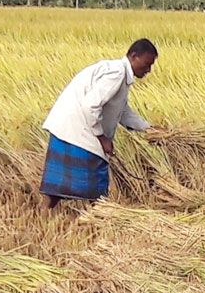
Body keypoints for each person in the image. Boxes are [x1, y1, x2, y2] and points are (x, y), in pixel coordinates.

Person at [40, 39, 158, 209]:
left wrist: (149, 129)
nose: (148, 70)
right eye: (147, 64)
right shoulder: (116, 73)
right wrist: (102, 138)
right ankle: (97, 217)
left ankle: (49, 213)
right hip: (78, 129)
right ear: (134, 56)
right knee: (96, 182)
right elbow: (90, 105)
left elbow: (123, 112)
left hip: (68, 128)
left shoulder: (119, 73)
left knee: (58, 183)